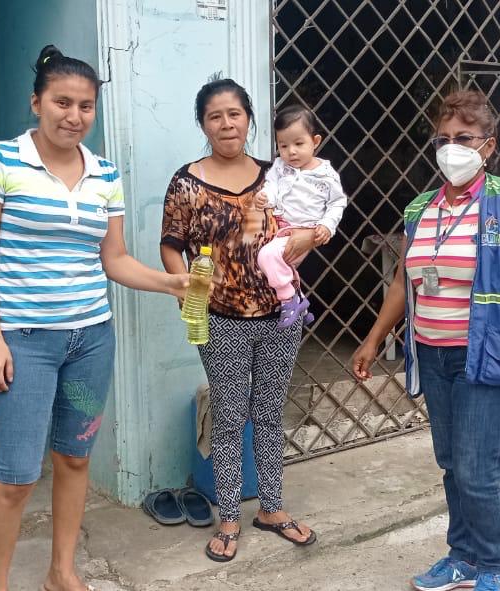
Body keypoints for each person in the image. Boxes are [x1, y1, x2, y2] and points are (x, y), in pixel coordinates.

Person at [0, 45, 187, 591]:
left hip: (90, 342)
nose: (74, 116)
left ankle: (61, 572)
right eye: (62, 102)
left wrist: (169, 284)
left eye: (86, 106)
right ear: (36, 102)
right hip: (24, 343)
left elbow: (114, 258)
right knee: (17, 477)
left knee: (75, 458)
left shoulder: (105, 173)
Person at [351, 89, 500, 591]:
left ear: (489, 145)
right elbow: (403, 283)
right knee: (452, 464)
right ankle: (462, 557)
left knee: (476, 468)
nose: (452, 147)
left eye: (465, 138)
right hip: (433, 356)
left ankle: (493, 565)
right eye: (444, 138)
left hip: (485, 356)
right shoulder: (420, 209)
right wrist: (372, 339)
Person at [160, 78, 318, 563]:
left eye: (235, 114)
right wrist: (185, 290)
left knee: (269, 412)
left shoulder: (277, 175)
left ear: (249, 119)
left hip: (280, 314)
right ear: (203, 124)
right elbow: (171, 244)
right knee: (229, 417)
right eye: (215, 116)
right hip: (220, 317)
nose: (227, 124)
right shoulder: (186, 183)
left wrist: (305, 242)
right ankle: (229, 516)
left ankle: (271, 507)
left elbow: (302, 225)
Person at [255, 105, 347, 328]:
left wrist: (327, 225)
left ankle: (288, 299)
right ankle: (300, 303)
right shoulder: (280, 167)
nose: (291, 152)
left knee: (266, 257)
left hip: (304, 232)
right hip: (280, 228)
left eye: (298, 144)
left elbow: (337, 202)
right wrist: (265, 197)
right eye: (283, 146)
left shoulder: (325, 174)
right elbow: (272, 186)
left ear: (315, 141)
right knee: (281, 265)